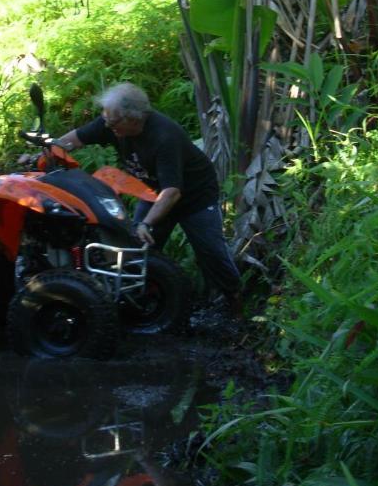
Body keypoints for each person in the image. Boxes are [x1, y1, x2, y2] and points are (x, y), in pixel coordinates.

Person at [55, 82, 243, 314]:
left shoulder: (165, 136)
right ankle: (139, 302)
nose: (107, 126)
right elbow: (73, 140)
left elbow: (172, 191)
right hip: (153, 192)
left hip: (195, 196)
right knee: (136, 248)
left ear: (135, 119)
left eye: (113, 123)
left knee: (210, 250)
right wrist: (44, 151)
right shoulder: (111, 122)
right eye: (106, 120)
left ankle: (233, 300)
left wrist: (146, 223)